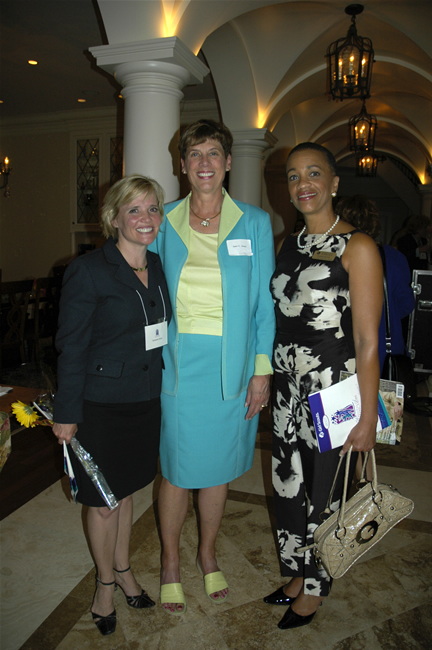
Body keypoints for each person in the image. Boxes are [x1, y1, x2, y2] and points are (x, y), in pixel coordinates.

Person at [150, 119, 275, 615]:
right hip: (177, 364)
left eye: (213, 153)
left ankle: (206, 553)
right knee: (178, 469)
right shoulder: (165, 220)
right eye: (194, 154)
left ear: (227, 163)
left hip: (233, 364)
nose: (204, 162)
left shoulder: (255, 222)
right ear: (183, 166)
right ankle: (169, 563)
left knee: (219, 467)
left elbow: (264, 306)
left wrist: (261, 370)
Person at [265, 143, 383, 630]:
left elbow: (368, 340)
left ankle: (315, 587)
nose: (303, 184)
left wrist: (368, 413)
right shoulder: (288, 244)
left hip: (331, 389)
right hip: (285, 388)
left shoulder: (358, 247)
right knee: (285, 487)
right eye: (293, 176)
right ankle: (296, 571)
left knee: (324, 491)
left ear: (334, 183)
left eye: (314, 173)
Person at [52, 175, 171, 636]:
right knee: (102, 501)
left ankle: (123, 568)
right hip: (100, 405)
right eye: (135, 210)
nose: (145, 219)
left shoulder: (158, 266)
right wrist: (66, 412)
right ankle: (105, 584)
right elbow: (72, 346)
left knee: (127, 490)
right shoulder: (89, 270)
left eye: (153, 209)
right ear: (115, 217)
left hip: (146, 400)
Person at [336, 195, 415, 372]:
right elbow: (406, 304)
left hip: (341, 348)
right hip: (383, 348)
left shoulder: (333, 257)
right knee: (382, 399)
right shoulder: (393, 257)